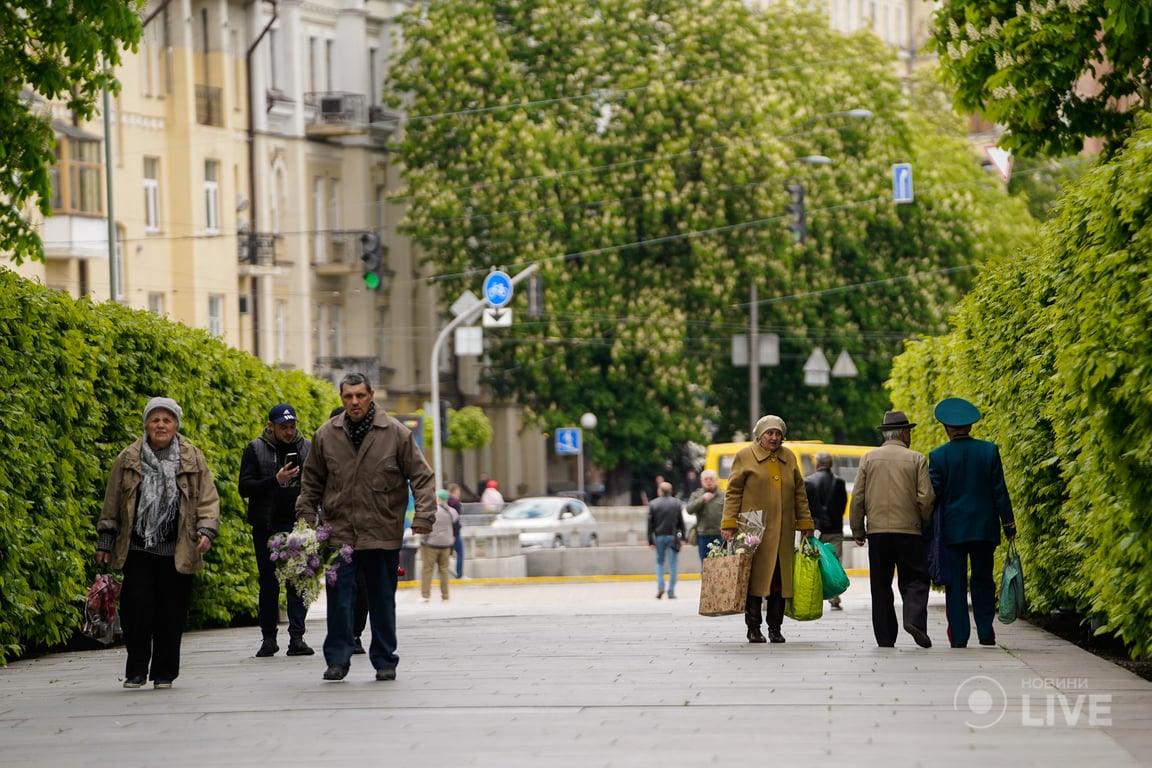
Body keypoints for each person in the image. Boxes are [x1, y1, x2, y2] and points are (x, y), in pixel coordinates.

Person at [296, 373, 436, 682]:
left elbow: (422, 476)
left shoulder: (397, 434)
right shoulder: (326, 436)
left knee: (382, 600)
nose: (354, 402)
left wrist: (423, 517)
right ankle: (337, 659)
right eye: (348, 397)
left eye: (360, 395)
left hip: (382, 532)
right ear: (341, 398)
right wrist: (305, 523)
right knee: (339, 600)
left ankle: (385, 660)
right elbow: (311, 484)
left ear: (371, 394)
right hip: (340, 533)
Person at [96, 397, 220, 689]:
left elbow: (208, 498)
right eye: (155, 419)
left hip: (177, 548)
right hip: (137, 548)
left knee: (171, 613)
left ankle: (164, 672)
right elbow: (112, 502)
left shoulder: (193, 457)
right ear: (147, 424)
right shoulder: (128, 458)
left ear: (176, 424)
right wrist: (105, 539)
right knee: (136, 609)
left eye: (167, 420)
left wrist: (207, 530)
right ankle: (136, 670)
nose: (161, 425)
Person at [928, 397, 1016, 649]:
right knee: (983, 580)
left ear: (946, 427)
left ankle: (959, 636)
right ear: (970, 426)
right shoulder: (989, 450)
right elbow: (1000, 490)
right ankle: (986, 631)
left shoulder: (938, 456)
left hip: (952, 530)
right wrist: (1008, 524)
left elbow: (934, 495)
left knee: (955, 583)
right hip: (983, 528)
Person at [721, 415, 815, 644]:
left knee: (778, 582)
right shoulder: (745, 456)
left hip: (783, 529)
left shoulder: (789, 457)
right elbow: (733, 492)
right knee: (753, 579)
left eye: (778, 433)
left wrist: (805, 523)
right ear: (759, 435)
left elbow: (799, 494)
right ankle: (753, 627)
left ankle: (775, 628)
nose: (774, 438)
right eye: (769, 433)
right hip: (753, 529)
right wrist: (729, 523)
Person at [849, 411, 935, 648]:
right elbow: (926, 498)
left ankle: (885, 637)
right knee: (916, 578)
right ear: (905, 433)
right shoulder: (917, 459)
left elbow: (858, 497)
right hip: (909, 530)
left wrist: (858, 529)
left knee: (880, 584)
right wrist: (922, 522)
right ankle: (914, 619)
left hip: (877, 533)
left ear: (885, 434)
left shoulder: (868, 458)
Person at [238, 403, 314, 658]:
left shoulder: (306, 447)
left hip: (298, 525)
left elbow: (316, 482)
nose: (289, 432)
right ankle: (268, 638)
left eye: (292, 426)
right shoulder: (256, 449)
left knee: (298, 582)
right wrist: (276, 480)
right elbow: (244, 487)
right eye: (284, 427)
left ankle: (297, 638)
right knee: (269, 583)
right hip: (267, 526)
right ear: (271, 426)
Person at [804, 451, 849, 610]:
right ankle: (834, 598)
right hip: (835, 529)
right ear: (830, 464)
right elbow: (843, 506)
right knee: (834, 561)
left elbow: (804, 507)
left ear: (817, 464)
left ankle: (812, 595)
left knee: (812, 562)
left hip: (813, 531)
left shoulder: (808, 482)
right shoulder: (840, 482)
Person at [647, 481, 685, 599]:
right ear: (671, 491)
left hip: (659, 536)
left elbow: (650, 525)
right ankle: (671, 591)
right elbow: (681, 522)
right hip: (673, 537)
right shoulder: (676, 503)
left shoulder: (653, 504)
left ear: (660, 491)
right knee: (673, 564)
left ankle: (660, 586)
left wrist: (650, 541)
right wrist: (683, 537)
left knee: (659, 562)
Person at [420, 490, 460, 602]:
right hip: (446, 544)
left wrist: (423, 540)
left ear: (437, 498)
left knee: (427, 570)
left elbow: (425, 528)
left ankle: (425, 595)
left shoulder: (430, 511)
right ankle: (445, 595)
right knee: (444, 571)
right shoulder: (452, 511)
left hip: (431, 544)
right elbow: (455, 523)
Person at [685, 469, 724, 560]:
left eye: (711, 479)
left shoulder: (723, 495)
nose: (708, 481)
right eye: (706, 479)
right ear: (701, 481)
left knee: (721, 564)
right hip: (703, 535)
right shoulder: (696, 495)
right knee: (705, 564)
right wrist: (702, 499)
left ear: (716, 480)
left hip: (720, 534)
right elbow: (689, 510)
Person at [446, 482, 465, 578]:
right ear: (455, 491)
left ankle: (444, 570)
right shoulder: (455, 503)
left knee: (446, 552)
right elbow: (455, 520)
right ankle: (459, 573)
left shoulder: (444, 502)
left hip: (445, 532)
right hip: (454, 532)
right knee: (460, 552)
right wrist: (455, 533)